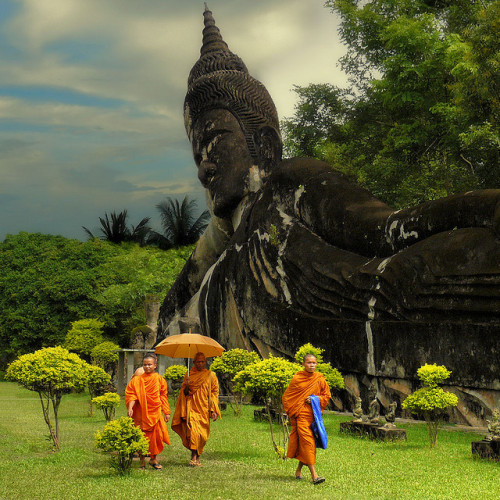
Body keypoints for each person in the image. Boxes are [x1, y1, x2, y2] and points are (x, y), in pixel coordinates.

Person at [158, 6, 500, 419]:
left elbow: (387, 229)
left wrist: (484, 207)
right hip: (321, 345)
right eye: (197, 153)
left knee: (466, 256)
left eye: (213, 141)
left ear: (262, 143)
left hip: (373, 300)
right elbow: (171, 309)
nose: (204, 166)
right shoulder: (227, 243)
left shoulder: (290, 181)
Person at [282, 354, 331, 484]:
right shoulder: (297, 378)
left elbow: (326, 396)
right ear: (303, 364)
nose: (312, 365)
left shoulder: (319, 379)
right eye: (309, 363)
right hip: (301, 416)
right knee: (308, 443)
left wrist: (315, 399)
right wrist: (292, 412)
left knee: (306, 444)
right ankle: (315, 476)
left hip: (313, 417)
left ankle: (298, 470)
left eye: (314, 363)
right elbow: (287, 397)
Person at [171, 352, 221, 466]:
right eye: (198, 361)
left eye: (202, 361)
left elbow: (214, 393)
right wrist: (187, 386)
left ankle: (196, 455)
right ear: (194, 362)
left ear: (206, 362)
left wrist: (213, 409)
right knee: (193, 431)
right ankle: (194, 457)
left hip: (204, 408)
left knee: (202, 434)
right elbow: (184, 392)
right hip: (191, 407)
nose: (200, 364)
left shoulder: (211, 375)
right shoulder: (189, 374)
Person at [125, 353, 170, 469]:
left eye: (149, 364)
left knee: (156, 437)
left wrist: (167, 411)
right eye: (145, 365)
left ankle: (153, 459)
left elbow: (163, 396)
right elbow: (132, 395)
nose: (147, 367)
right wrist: (130, 407)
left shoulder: (160, 380)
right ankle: (142, 462)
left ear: (155, 365)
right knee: (142, 437)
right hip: (141, 414)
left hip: (155, 413)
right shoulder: (137, 380)